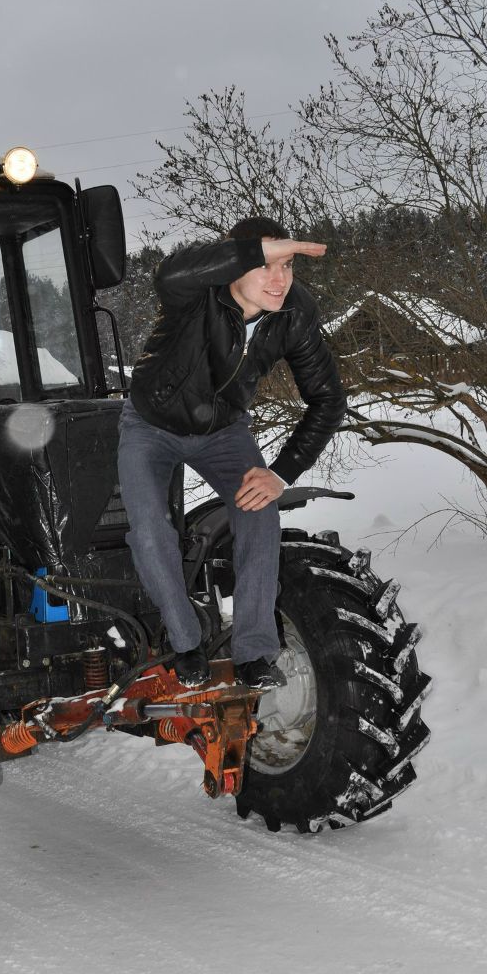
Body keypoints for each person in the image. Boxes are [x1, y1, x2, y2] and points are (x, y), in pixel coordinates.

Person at [117, 217, 346, 690]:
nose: (280, 280)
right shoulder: (194, 294)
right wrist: (253, 250)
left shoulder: (295, 314)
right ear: (236, 265)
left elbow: (328, 400)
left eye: (288, 267)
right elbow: (169, 272)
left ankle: (255, 653)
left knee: (260, 513)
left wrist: (280, 474)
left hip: (223, 431)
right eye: (267, 265)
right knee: (150, 528)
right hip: (150, 426)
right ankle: (185, 642)